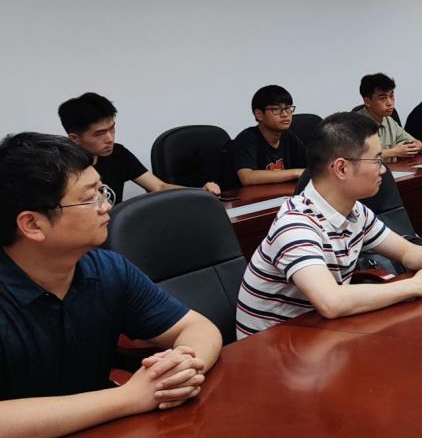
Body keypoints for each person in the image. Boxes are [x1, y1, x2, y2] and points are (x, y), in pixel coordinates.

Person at [0, 132, 222, 436]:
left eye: (101, 191)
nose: (106, 206)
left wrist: (178, 370)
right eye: (89, 197)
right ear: (32, 224)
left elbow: (197, 327)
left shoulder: (107, 268)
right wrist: (129, 397)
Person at [234, 113, 422, 338]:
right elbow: (331, 302)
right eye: (377, 160)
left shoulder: (356, 211)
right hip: (271, 348)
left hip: (318, 334)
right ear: (341, 168)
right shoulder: (295, 225)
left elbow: (406, 251)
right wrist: (418, 285)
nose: (383, 169)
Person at [58, 92, 221, 198]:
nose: (110, 138)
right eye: (99, 133)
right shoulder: (61, 167)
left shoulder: (118, 153)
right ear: (75, 139)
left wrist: (200, 192)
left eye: (112, 129)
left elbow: (158, 186)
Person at [229, 85, 308, 187]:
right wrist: (295, 173)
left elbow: (313, 166)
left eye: (288, 108)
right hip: (250, 196)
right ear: (259, 114)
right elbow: (247, 177)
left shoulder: (289, 137)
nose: (285, 114)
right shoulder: (247, 139)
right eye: (276, 109)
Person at [357, 73, 422, 161]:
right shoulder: (354, 124)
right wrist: (394, 152)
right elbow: (359, 157)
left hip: (393, 169)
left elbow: (418, 144)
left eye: (391, 96)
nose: (390, 103)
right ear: (368, 102)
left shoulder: (389, 120)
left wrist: (412, 147)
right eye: (383, 98)